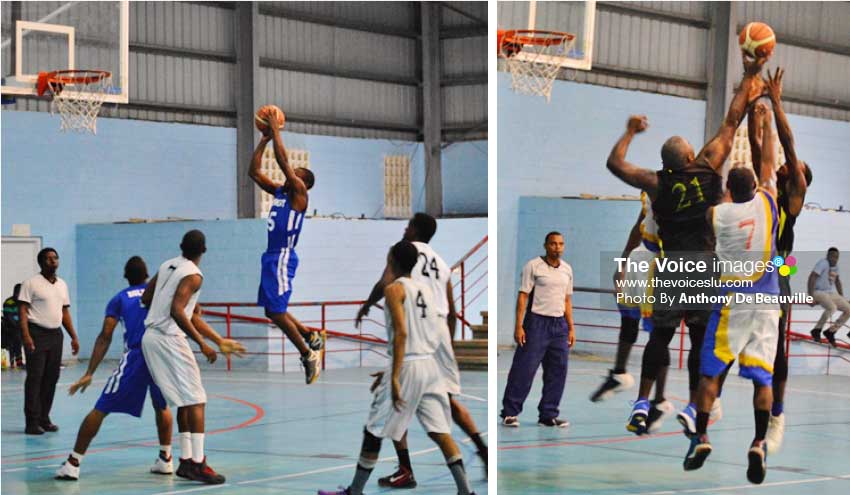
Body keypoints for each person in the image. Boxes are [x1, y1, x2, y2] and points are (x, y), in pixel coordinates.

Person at [605, 52, 768, 436]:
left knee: (659, 338)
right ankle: (696, 408)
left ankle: (642, 404)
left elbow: (615, 165)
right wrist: (749, 75)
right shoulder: (709, 166)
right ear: (692, 156)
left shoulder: (655, 183)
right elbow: (732, 119)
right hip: (704, 267)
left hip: (672, 266)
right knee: (699, 341)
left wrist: (629, 131)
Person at [318, 241, 476, 495]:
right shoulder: (426, 289)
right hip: (430, 365)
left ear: (392, 260)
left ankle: (354, 491)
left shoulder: (394, 290)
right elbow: (436, 329)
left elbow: (401, 332)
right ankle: (466, 491)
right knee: (441, 432)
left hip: (408, 366)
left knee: (373, 430)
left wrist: (394, 374)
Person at [683, 101, 780, 485]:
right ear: (755, 187)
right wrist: (766, 122)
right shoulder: (769, 204)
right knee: (763, 381)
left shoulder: (717, 215)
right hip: (767, 303)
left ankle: (702, 436)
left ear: (727, 191)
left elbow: (713, 186)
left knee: (710, 373)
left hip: (732, 304)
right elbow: (769, 164)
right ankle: (758, 442)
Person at [355, 213, 487, 488]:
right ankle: (480, 449)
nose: (405, 228)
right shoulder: (441, 262)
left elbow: (385, 285)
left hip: (414, 333)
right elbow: (451, 310)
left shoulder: (403, 254)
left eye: (408, 224)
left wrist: (367, 304)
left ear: (414, 229)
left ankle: (403, 469)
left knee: (396, 398)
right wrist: (446, 344)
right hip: (436, 333)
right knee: (445, 403)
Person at [140, 230, 246, 485]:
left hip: (150, 337)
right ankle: (198, 464)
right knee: (197, 400)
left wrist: (218, 340)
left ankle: (187, 462)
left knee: (187, 401)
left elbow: (146, 298)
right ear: (204, 251)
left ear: (181, 246)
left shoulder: (168, 265)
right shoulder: (194, 276)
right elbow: (177, 311)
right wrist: (202, 345)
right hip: (168, 338)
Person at [55, 256, 174, 481]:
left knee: (101, 407)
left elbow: (105, 335)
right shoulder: (159, 293)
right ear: (147, 274)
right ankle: (166, 458)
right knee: (162, 406)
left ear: (125, 276)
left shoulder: (119, 298)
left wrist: (89, 372)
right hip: (161, 354)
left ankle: (73, 463)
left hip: (138, 355)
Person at [755, 67, 812, 453]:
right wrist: (753, 117)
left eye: (792, 167)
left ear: (799, 180)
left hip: (777, 272)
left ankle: (778, 414)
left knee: (776, 353)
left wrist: (776, 104)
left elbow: (787, 147)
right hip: (752, 270)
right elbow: (762, 151)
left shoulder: (793, 199)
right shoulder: (768, 193)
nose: (786, 164)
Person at [591, 197, 677, 431]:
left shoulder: (690, 192)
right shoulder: (653, 189)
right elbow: (639, 224)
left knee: (658, 334)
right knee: (628, 316)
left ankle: (659, 401)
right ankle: (619, 373)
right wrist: (623, 261)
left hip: (664, 264)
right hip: (640, 257)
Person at [248, 118, 323, 385]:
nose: (291, 174)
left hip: (282, 255)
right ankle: (309, 335)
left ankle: (307, 355)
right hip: (271, 255)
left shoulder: (299, 194)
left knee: (277, 312)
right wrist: (264, 139)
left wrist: (276, 131)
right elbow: (254, 172)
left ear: (303, 182)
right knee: (271, 310)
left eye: (296, 173)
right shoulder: (281, 192)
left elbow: (283, 163)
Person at [501, 232, 575, 428]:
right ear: (545, 245)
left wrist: (571, 328)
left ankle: (548, 414)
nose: (557, 247)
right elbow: (523, 296)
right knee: (524, 370)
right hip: (536, 323)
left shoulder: (567, 269)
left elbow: (567, 300)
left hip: (559, 326)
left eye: (560, 244)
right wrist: (518, 326)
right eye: (553, 244)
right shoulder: (533, 266)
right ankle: (510, 413)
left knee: (558, 371)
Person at [18, 248, 80, 435]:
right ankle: (32, 422)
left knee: (51, 378)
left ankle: (44, 418)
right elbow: (22, 312)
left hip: (55, 335)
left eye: (55, 258)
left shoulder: (62, 284)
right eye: (49, 258)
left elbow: (65, 312)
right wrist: (26, 336)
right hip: (37, 333)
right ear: (41, 262)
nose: (53, 261)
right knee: (35, 378)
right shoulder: (30, 283)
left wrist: (73, 336)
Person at [808, 248, 848, 346]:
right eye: (832, 256)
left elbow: (837, 281)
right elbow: (812, 277)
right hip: (818, 292)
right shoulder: (823, 263)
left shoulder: (836, 266)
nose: (834, 259)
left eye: (836, 257)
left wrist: (842, 298)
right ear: (827, 256)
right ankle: (816, 329)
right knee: (832, 307)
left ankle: (831, 331)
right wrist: (810, 296)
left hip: (830, 293)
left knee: (848, 309)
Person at [2, 283, 25, 369]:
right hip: (10, 328)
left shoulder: (24, 302)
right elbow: (9, 317)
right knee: (17, 335)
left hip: (21, 327)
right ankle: (18, 362)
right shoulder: (9, 302)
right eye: (17, 292)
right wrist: (20, 326)